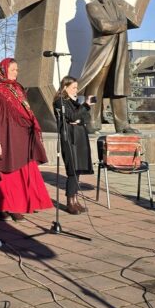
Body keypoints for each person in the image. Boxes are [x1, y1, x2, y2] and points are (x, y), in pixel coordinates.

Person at [0, 58, 51, 221]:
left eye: (17, 70)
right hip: (6, 135)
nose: (16, 73)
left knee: (24, 169)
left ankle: (26, 202)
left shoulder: (17, 87)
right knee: (9, 171)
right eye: (13, 70)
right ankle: (8, 205)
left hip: (22, 135)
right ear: (4, 70)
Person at [76, 0, 137, 133]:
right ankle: (92, 123)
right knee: (95, 88)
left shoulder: (117, 6)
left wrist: (118, 24)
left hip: (118, 51)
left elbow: (119, 23)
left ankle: (123, 125)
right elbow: (103, 26)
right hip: (102, 51)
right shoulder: (92, 6)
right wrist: (121, 24)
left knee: (119, 89)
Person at [53, 76, 94, 215]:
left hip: (79, 137)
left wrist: (79, 116)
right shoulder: (60, 101)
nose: (76, 90)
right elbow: (71, 116)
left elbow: (85, 118)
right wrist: (85, 106)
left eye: (77, 87)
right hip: (69, 139)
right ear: (65, 87)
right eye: (74, 87)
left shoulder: (74, 102)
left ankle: (75, 200)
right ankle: (70, 202)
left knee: (78, 170)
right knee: (72, 170)